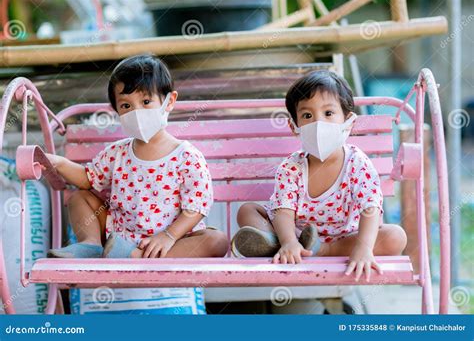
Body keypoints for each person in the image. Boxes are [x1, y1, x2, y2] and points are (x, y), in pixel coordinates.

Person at [46, 54, 228, 259]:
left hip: (171, 240)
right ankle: (92, 245)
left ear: (169, 101)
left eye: (146, 101)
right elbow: (89, 179)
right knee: (79, 197)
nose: (136, 112)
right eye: (126, 106)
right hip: (118, 237)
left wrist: (168, 236)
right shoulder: (117, 153)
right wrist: (58, 163)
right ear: (116, 110)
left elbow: (197, 206)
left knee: (218, 240)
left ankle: (137, 256)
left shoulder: (187, 157)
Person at [232, 70, 407, 281]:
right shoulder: (291, 167)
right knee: (247, 211)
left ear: (348, 122)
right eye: (307, 116)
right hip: (293, 234)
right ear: (294, 126)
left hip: (342, 239)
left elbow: (370, 210)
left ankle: (321, 250)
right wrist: (289, 241)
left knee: (395, 237)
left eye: (328, 113)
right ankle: (282, 246)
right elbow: (284, 213)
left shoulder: (357, 163)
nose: (318, 123)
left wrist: (364, 248)